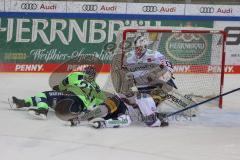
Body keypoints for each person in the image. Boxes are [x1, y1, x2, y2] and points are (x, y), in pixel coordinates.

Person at [119, 35, 175, 127]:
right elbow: (123, 72)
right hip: (137, 85)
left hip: (152, 84)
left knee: (167, 86)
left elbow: (169, 65)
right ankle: (151, 114)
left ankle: (154, 110)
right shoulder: (129, 56)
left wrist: (160, 74)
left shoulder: (154, 54)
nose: (137, 50)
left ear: (145, 47)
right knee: (136, 100)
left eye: (140, 48)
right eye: (136, 48)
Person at [11, 66, 107, 120]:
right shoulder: (97, 88)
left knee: (44, 95)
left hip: (70, 98)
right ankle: (22, 103)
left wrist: (60, 89)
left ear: (84, 72)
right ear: (94, 77)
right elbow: (102, 104)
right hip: (78, 110)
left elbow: (61, 86)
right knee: (49, 99)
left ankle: (42, 110)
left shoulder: (78, 75)